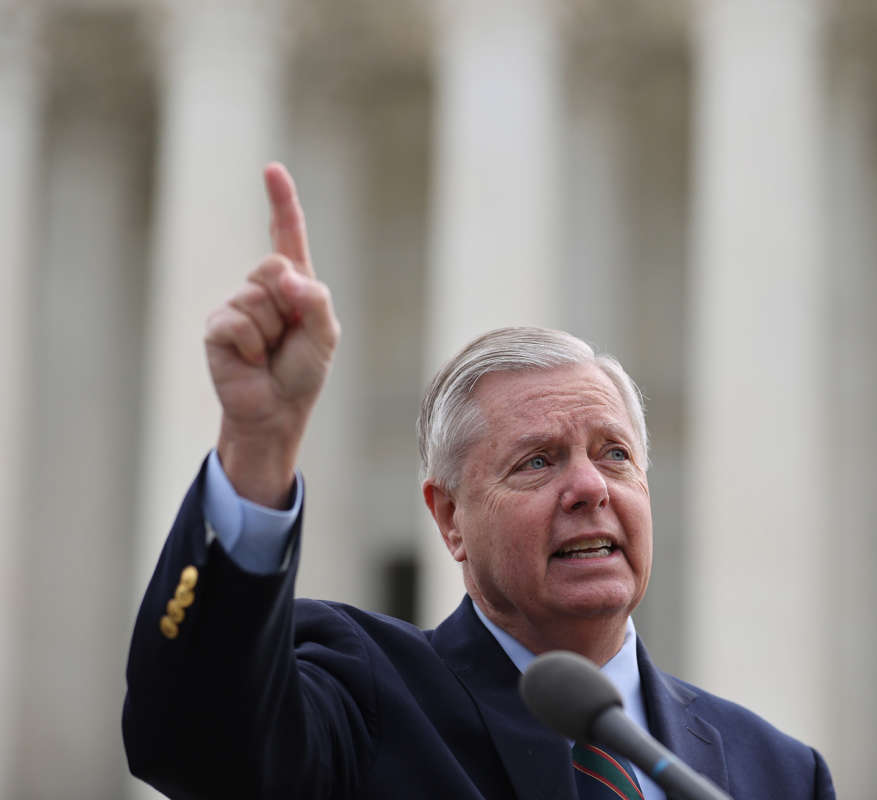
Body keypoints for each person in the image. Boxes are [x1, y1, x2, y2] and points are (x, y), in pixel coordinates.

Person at [123, 163, 836, 799]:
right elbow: (195, 742)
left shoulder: (776, 772)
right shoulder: (366, 699)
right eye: (538, 461)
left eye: (614, 454)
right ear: (450, 519)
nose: (590, 487)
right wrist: (258, 444)